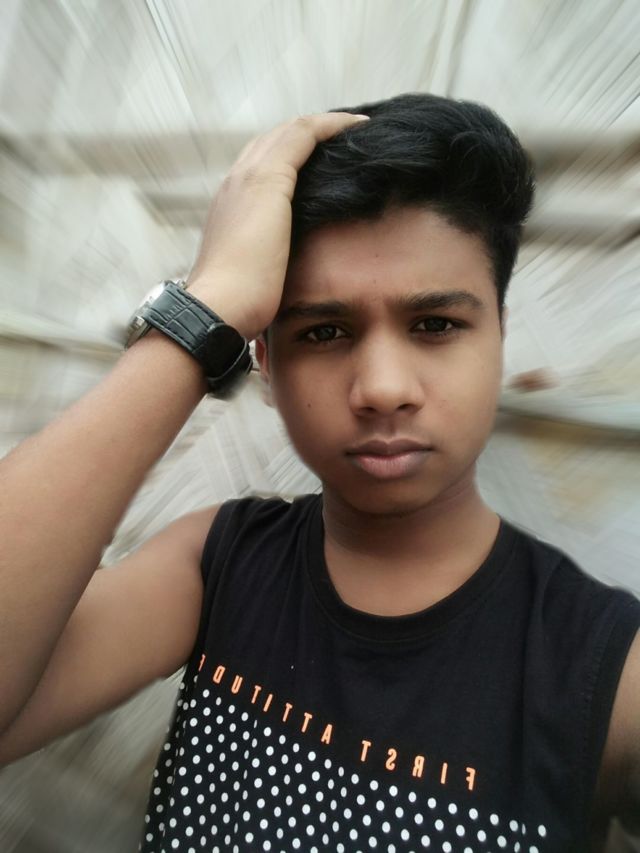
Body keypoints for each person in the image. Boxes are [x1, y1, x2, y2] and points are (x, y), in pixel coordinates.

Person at [0, 94, 638, 853]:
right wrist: (205, 309)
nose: (383, 388)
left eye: (436, 324)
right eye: (325, 331)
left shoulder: (608, 674)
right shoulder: (217, 566)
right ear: (264, 363)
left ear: (499, 333)